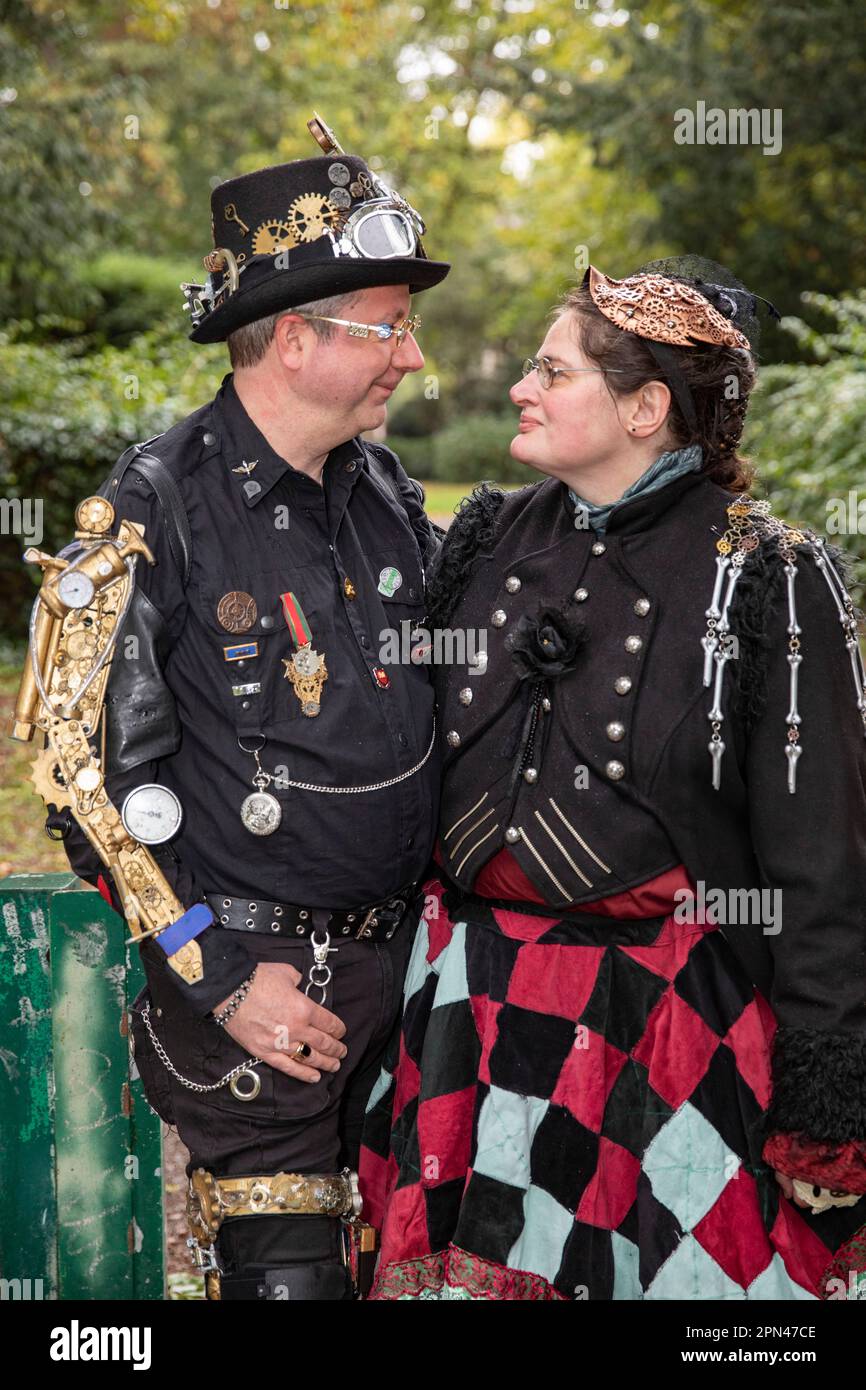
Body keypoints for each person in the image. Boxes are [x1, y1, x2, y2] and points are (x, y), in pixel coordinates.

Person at [358, 258, 866, 1300]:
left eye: (552, 370)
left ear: (643, 408)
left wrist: (825, 1102)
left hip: (667, 1018)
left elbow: (821, 862)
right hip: (478, 1007)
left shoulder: (764, 570)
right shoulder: (486, 538)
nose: (518, 387)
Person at [50, 127, 451, 1300]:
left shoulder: (385, 490)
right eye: (390, 329)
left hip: (406, 980)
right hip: (255, 991)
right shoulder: (151, 507)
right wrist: (221, 979)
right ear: (292, 336)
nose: (413, 360)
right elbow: (86, 776)